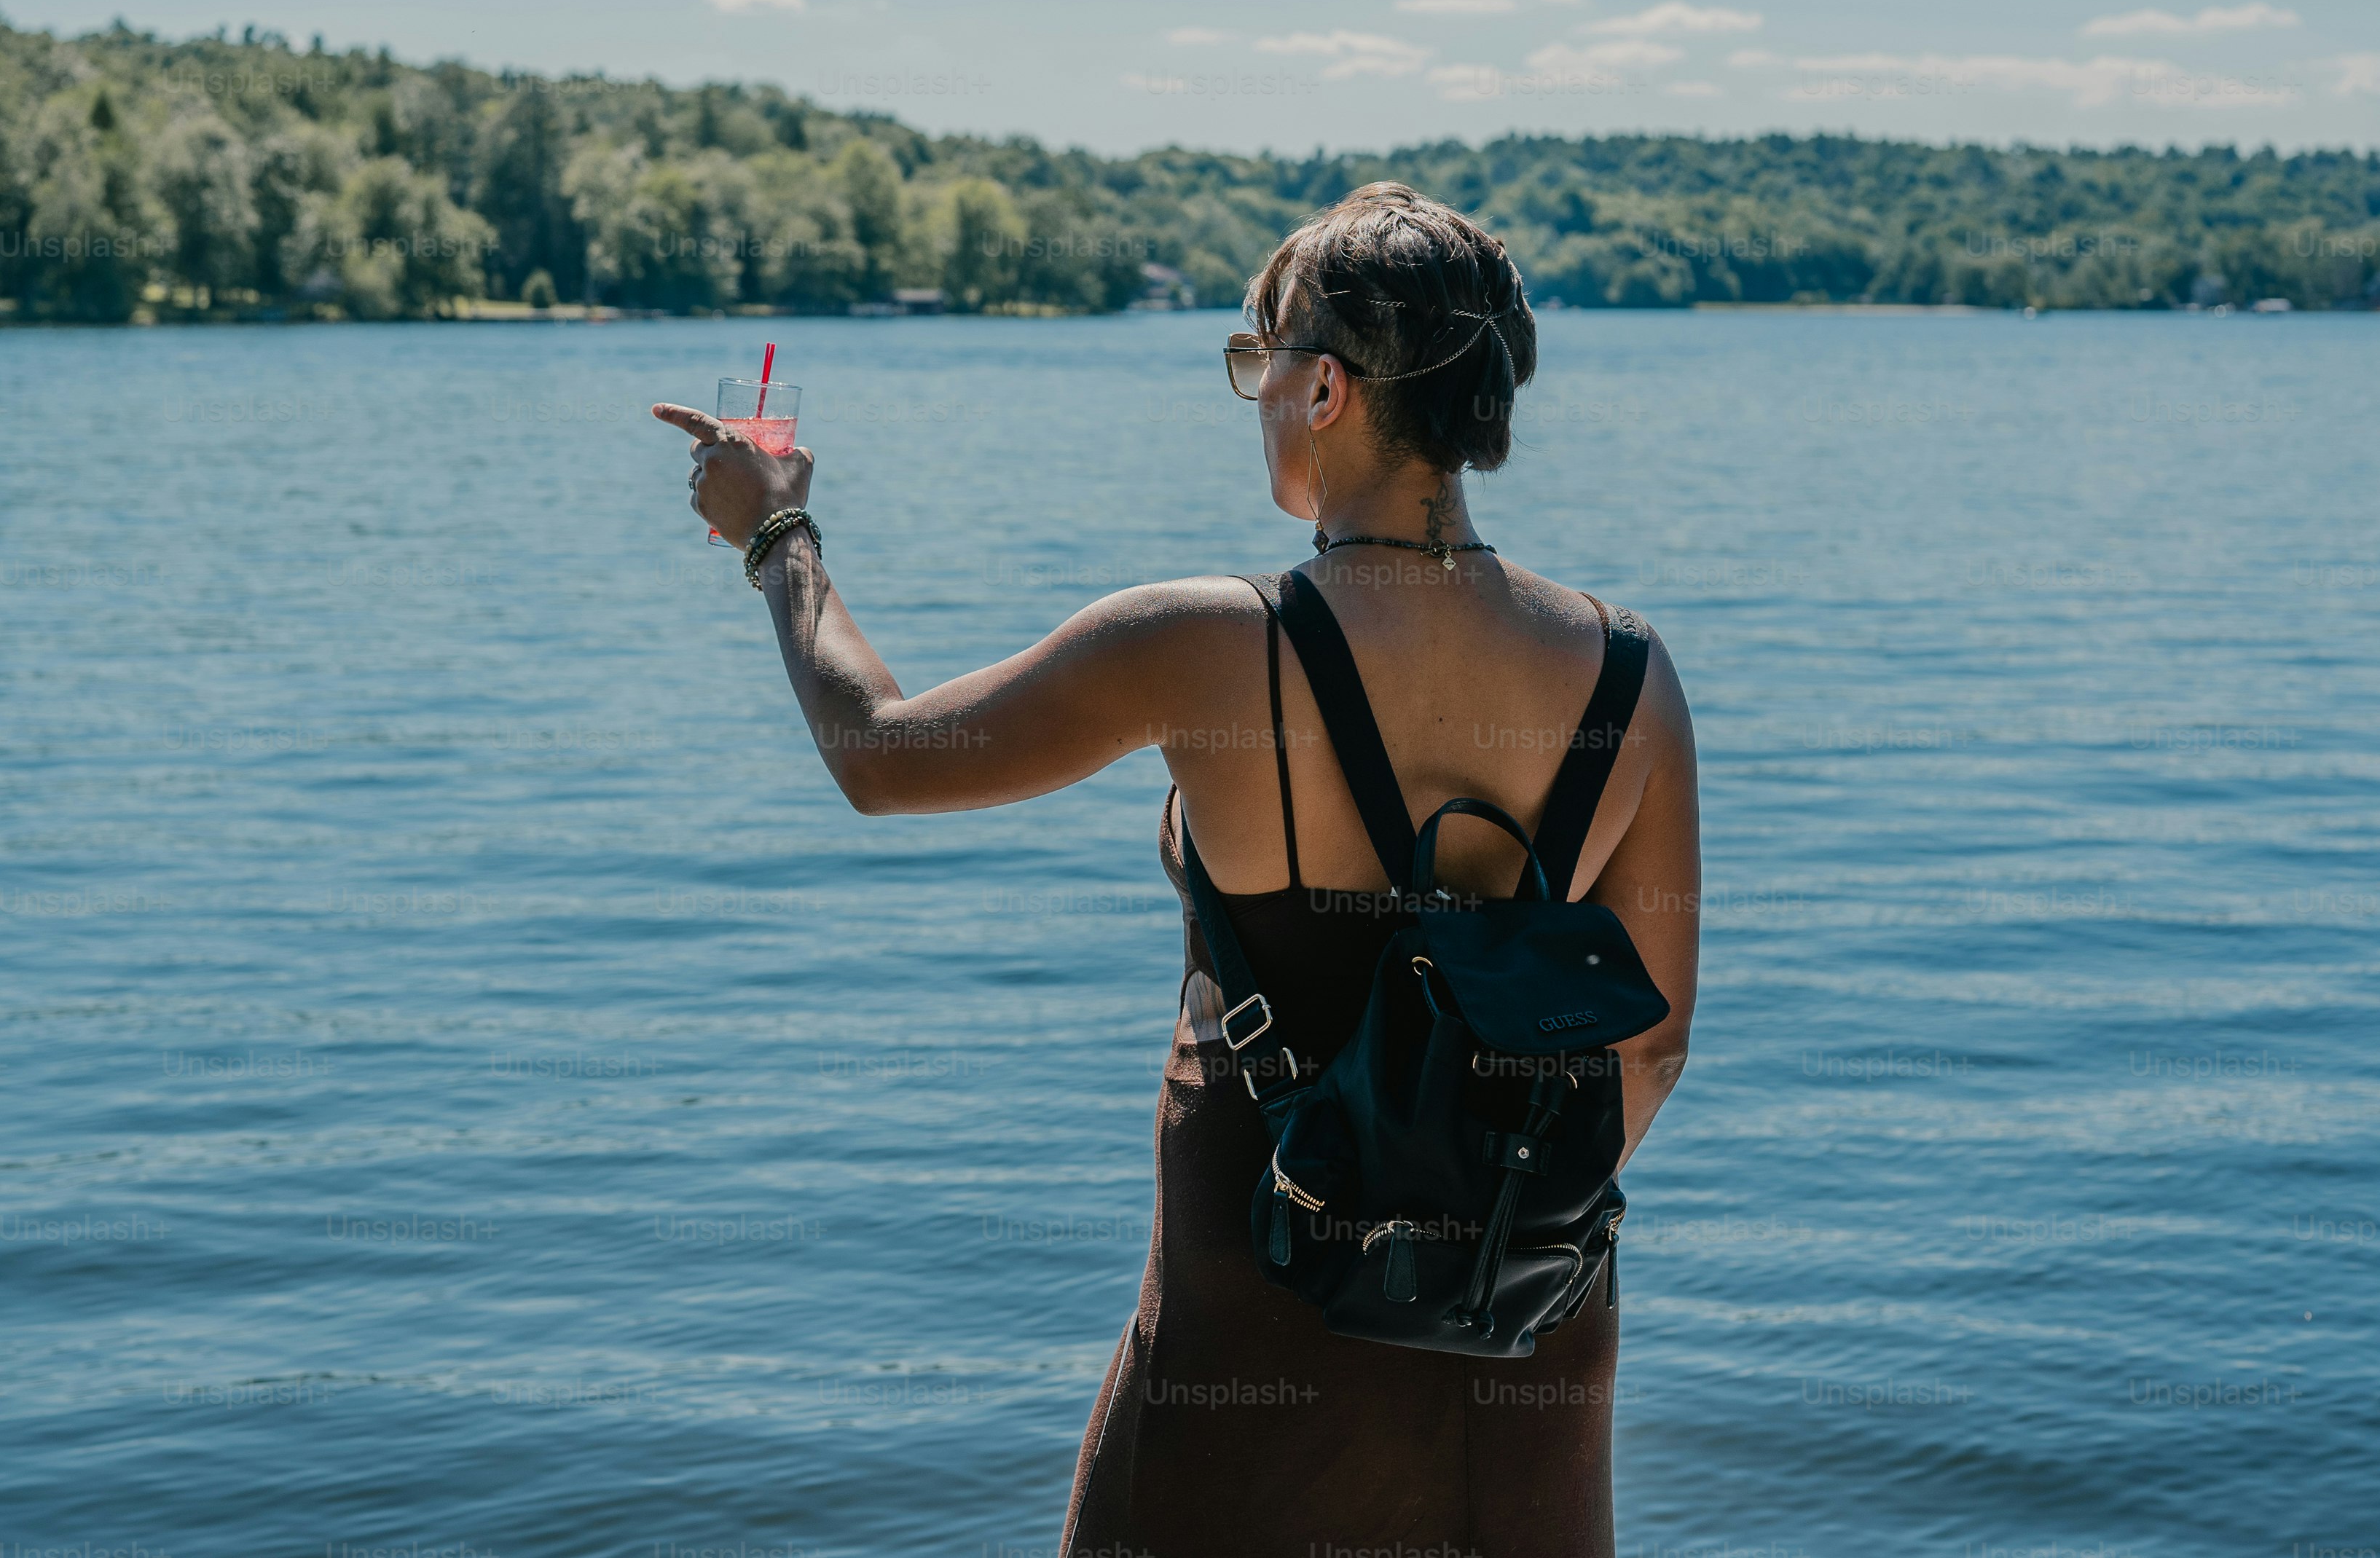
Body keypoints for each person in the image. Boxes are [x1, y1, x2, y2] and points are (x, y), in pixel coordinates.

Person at [651, 183, 1700, 1557]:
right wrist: (1462, 1236)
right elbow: (1655, 1043)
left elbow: (883, 755)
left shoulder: (1210, 642)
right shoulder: (1629, 670)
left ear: (1325, 388)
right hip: (1530, 1329)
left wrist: (778, 538)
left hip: (1259, 1306)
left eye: (1255, 361)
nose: (1252, 395)